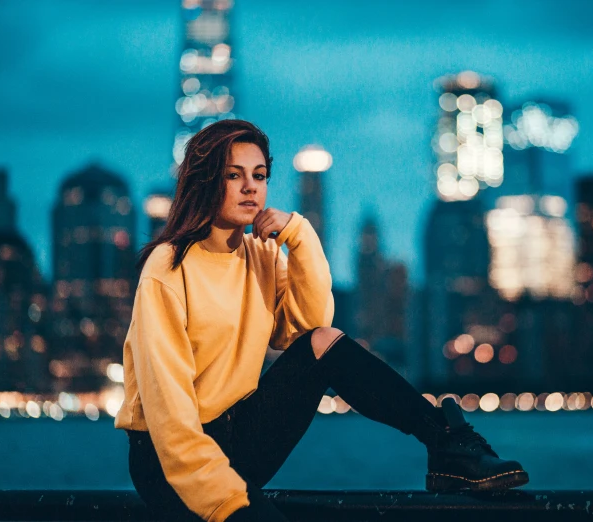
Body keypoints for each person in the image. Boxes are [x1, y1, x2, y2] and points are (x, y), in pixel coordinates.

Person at [113, 119, 529, 522]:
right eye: (233, 175)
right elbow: (169, 416)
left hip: (234, 439)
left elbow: (310, 331)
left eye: (259, 175)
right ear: (205, 181)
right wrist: (226, 500)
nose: (250, 187)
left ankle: (448, 444)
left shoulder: (261, 255)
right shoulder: (168, 266)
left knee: (324, 341)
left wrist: (300, 234)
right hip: (169, 460)